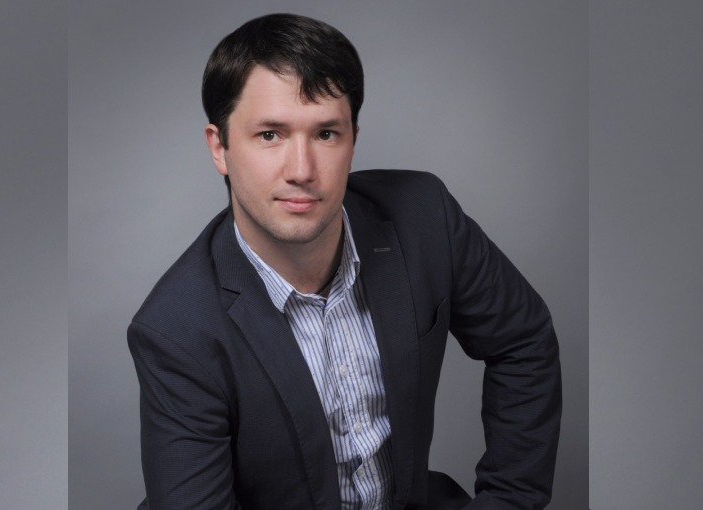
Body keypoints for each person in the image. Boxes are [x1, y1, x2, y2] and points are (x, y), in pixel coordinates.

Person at [128, 13, 561, 510]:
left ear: (353, 138)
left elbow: (523, 340)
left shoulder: (424, 216)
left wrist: (509, 500)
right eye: (270, 135)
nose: (301, 170)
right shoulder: (176, 329)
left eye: (326, 134)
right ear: (219, 147)